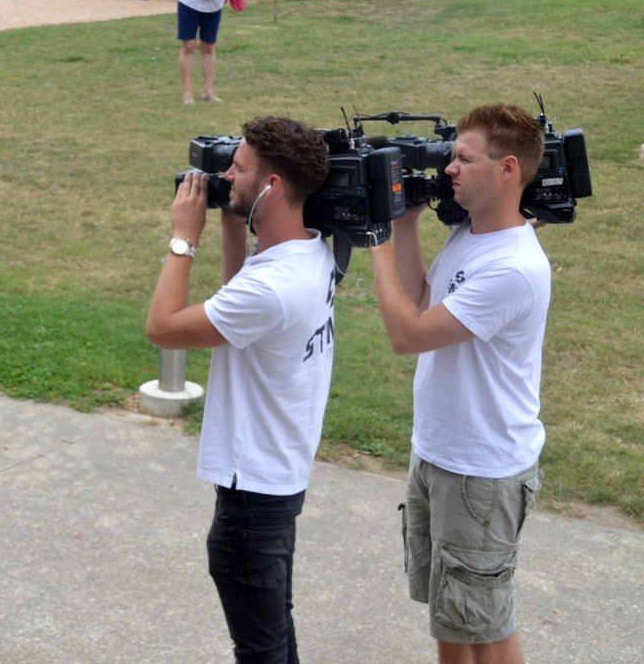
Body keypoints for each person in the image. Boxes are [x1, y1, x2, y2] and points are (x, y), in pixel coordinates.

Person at [146, 117, 334, 662]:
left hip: (251, 496)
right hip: (278, 477)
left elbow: (163, 328)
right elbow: (240, 315)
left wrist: (184, 238)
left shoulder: (273, 288)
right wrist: (232, 223)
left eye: (239, 166)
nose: (227, 172)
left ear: (272, 185)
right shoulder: (311, 253)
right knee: (273, 635)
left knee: (261, 649)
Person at [368, 104, 549, 664]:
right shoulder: (469, 235)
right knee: (451, 616)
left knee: (487, 626)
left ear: (508, 169)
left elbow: (408, 333)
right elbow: (423, 299)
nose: (449, 169)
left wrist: (372, 237)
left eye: (464, 159)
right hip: (440, 455)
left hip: (481, 473)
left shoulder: (513, 267)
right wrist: (403, 226)